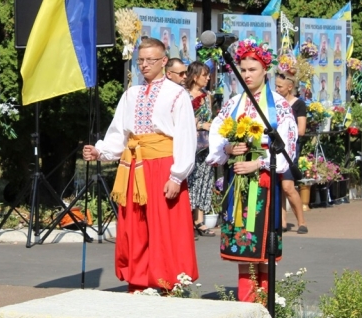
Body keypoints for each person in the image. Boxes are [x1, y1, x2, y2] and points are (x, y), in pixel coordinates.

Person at [82, 37, 197, 291]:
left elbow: (186, 137)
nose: (144, 65)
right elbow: (119, 133)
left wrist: (177, 176)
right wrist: (100, 151)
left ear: (164, 61)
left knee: (164, 225)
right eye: (140, 60)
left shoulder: (177, 94)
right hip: (134, 166)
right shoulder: (130, 94)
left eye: (150, 60)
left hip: (163, 165)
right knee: (135, 224)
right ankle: (138, 281)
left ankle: (167, 283)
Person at [206, 39, 298, 302]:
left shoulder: (278, 106)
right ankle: (247, 300)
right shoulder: (233, 103)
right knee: (243, 242)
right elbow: (217, 133)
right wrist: (228, 148)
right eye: (243, 69)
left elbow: (286, 149)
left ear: (265, 71)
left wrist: (258, 162)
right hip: (238, 179)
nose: (246, 74)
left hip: (264, 179)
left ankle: (264, 301)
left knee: (263, 241)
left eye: (252, 69)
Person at [275, 71, 308, 235]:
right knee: (278, 185)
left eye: (280, 86)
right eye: (275, 86)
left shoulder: (298, 104)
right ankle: (281, 221)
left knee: (288, 186)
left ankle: (301, 221)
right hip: (275, 149)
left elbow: (301, 130)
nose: (277, 89)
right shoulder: (274, 103)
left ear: (290, 87)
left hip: (290, 149)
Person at [184, 61, 215, 237]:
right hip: (190, 144)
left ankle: (199, 220)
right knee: (191, 180)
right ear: (195, 77)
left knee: (204, 179)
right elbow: (185, 122)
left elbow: (210, 117)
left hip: (205, 145)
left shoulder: (207, 96)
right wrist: (202, 124)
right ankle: (187, 220)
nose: (208, 78)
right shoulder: (184, 96)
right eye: (205, 75)